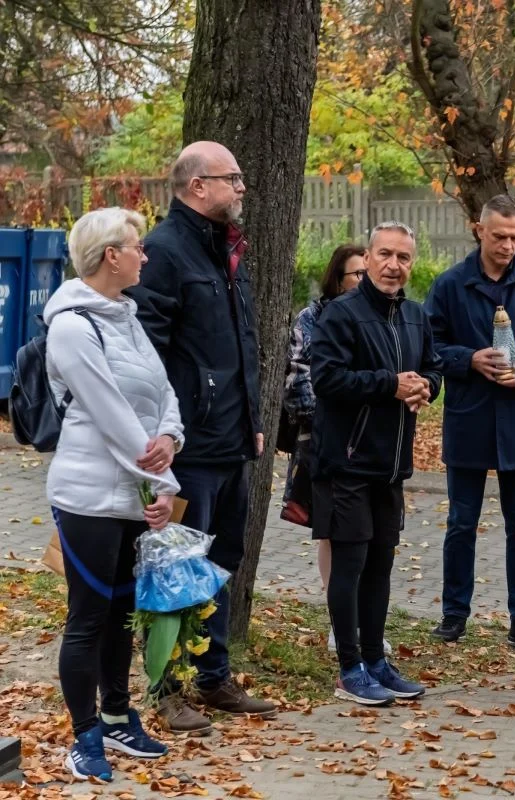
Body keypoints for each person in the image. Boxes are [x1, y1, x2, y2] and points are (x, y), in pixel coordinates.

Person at [126, 141, 275, 733]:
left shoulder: (225, 250)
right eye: (231, 178)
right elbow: (148, 356)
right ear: (196, 187)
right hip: (187, 448)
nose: (241, 188)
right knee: (172, 567)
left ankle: (213, 679)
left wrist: (256, 421)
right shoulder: (164, 252)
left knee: (220, 563)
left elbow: (243, 345)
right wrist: (164, 437)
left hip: (233, 441)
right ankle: (167, 687)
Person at [45, 208, 182, 779]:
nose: (145, 255)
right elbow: (112, 414)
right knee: (90, 616)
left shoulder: (127, 316)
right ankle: (84, 736)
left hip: (134, 493)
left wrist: (172, 439)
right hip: (89, 496)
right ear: (111, 256)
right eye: (137, 246)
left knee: (124, 614)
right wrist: (163, 480)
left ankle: (119, 716)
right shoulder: (73, 327)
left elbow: (162, 391)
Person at [310, 221, 441, 705]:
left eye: (403, 257)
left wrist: (427, 386)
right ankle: (349, 668)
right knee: (351, 565)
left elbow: (431, 369)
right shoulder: (341, 314)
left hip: (392, 466)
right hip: (346, 462)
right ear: (368, 257)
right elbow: (325, 380)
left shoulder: (416, 316)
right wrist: (390, 384)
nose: (393, 265)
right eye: (385, 254)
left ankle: (376, 661)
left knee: (381, 564)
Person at [424, 195, 515, 654]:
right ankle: (454, 614)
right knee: (462, 521)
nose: (507, 245)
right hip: (470, 418)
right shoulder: (450, 285)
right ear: (478, 229)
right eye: (499, 236)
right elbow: (429, 345)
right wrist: (468, 359)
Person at [280, 244, 389, 653]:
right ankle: (339, 623)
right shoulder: (312, 319)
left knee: (371, 537)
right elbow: (297, 381)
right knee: (332, 535)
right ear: (337, 278)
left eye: (368, 272)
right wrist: (336, 413)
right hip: (324, 442)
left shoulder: (383, 316)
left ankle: (369, 622)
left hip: (374, 444)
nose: (365, 280)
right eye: (356, 274)